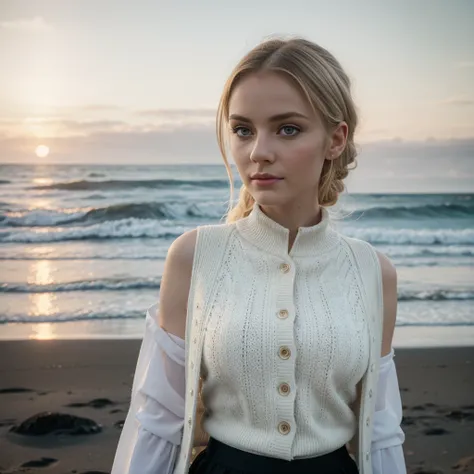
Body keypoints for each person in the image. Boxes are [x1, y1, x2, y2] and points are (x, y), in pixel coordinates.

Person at [111, 36, 406, 474]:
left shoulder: (372, 273)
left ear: (336, 139)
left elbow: (379, 428)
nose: (258, 152)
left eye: (288, 129)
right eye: (242, 129)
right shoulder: (195, 257)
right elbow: (160, 418)